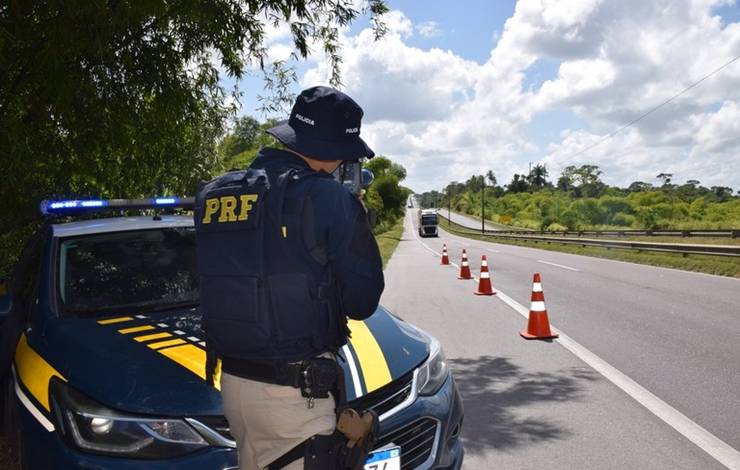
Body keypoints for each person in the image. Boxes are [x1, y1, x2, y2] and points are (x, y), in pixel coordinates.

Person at [194, 86, 384, 470]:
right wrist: (355, 221)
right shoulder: (330, 199)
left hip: (234, 387)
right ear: (336, 152)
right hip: (297, 399)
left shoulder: (214, 194)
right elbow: (363, 301)